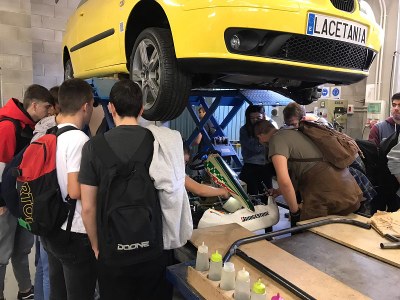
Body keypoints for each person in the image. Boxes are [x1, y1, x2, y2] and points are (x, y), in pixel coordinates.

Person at [79, 80, 174, 300]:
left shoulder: (93, 147)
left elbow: (88, 208)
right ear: (141, 109)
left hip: (113, 252)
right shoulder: (157, 141)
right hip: (152, 248)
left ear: (111, 107)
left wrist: (96, 246)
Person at [40, 79, 96, 300]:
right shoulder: (79, 140)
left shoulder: (51, 134)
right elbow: (75, 190)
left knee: (58, 292)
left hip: (52, 227)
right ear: (85, 106)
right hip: (74, 233)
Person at [0, 85, 54, 300]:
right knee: (2, 254)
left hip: (22, 201)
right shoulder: (8, 127)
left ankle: (25, 291)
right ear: (34, 105)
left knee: (22, 250)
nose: (50, 111)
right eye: (47, 107)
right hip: (5, 203)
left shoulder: (31, 127)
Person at [254, 120, 362, 224]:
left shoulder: (276, 140)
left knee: (307, 231)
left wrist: (295, 212)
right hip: (348, 190)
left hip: (326, 193)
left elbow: (284, 181)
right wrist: (279, 191)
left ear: (259, 135)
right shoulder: (293, 133)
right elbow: (304, 166)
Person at [33, 86, 59, 300]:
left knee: (42, 264)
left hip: (36, 203)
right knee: (52, 268)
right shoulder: (57, 131)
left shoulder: (38, 129)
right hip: (52, 207)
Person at [239, 105, 275, 194]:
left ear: (263, 116)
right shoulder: (244, 130)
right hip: (251, 166)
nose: (255, 120)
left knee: (267, 194)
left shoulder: (269, 127)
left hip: (266, 166)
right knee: (252, 194)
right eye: (252, 118)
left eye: (258, 117)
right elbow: (254, 148)